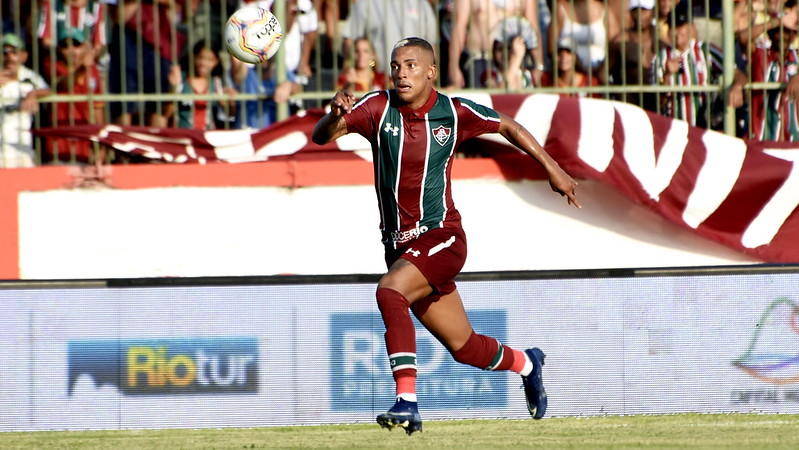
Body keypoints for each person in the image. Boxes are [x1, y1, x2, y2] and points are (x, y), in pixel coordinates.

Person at [312, 37, 580, 434]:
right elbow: (322, 136)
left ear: (430, 72)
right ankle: (528, 362)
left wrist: (552, 168)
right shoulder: (376, 107)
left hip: (443, 236)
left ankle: (407, 401)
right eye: (395, 65)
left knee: (390, 292)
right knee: (464, 348)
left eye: (411, 65)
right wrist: (333, 115)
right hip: (400, 247)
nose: (401, 72)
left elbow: (508, 125)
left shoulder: (452, 112)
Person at [733, 0, 799, 141]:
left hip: (792, 137)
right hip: (761, 135)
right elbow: (743, 37)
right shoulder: (759, 54)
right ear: (769, 34)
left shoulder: (797, 56)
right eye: (777, 30)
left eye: (787, 31)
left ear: (794, 36)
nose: (782, 35)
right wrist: (778, 21)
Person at [42, 27, 105, 163]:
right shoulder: (52, 64)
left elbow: (98, 107)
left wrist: (101, 143)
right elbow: (62, 84)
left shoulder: (93, 71)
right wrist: (83, 67)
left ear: (84, 47)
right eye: (65, 46)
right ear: (59, 49)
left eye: (76, 45)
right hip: (58, 141)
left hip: (84, 141)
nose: (71, 50)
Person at [448, 0, 544, 89]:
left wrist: (539, 64)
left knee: (515, 102)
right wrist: (454, 67)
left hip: (516, 59)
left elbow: (532, 27)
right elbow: (459, 27)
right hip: (480, 59)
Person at [0, 33, 51, 168]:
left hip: (22, 147)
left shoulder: (29, 76)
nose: (9, 57)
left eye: (14, 52)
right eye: (5, 52)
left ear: (24, 56)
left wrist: (34, 94)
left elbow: (50, 90)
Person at [165, 41, 236, 130]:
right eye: (200, 58)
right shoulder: (180, 79)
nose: (203, 63)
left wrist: (231, 103)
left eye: (210, 60)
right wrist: (173, 90)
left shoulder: (216, 83)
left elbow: (229, 113)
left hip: (206, 138)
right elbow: (166, 114)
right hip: (183, 136)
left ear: (216, 62)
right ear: (193, 57)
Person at [549, 0, 620, 82]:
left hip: (599, 77)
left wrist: (601, 71)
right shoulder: (560, 8)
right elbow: (552, 48)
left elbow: (615, 47)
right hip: (570, 78)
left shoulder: (606, 11)